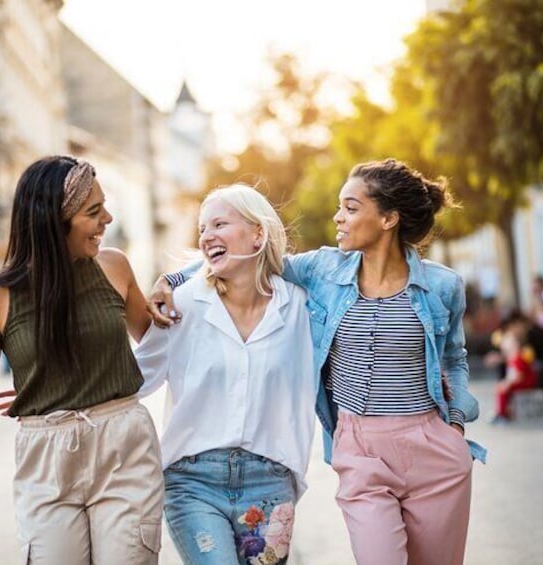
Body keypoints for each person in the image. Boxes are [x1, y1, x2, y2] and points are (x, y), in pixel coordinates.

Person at [153, 159, 485, 564]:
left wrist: (455, 423)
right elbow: (250, 256)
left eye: (350, 207)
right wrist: (171, 280)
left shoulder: (442, 285)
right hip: (360, 450)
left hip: (432, 448)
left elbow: (454, 358)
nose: (337, 217)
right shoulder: (324, 271)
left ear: (388, 219)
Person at [0, 156, 163, 564]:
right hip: (45, 462)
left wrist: (171, 284)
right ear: (53, 220)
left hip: (124, 450)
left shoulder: (114, 267)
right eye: (93, 211)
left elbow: (162, 344)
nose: (108, 218)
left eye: (104, 206)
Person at [134, 185, 317, 564]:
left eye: (220, 223)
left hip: (270, 482)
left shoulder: (299, 307)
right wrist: (55, 392)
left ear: (258, 233)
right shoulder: (182, 305)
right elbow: (132, 378)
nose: (206, 236)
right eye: (202, 229)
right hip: (193, 480)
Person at [492, 326, 538, 424]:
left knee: (502, 390)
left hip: (525, 383)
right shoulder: (512, 358)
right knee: (502, 387)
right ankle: (502, 412)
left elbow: (518, 376)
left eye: (508, 340)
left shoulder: (518, 358)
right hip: (520, 382)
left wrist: (507, 383)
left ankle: (502, 414)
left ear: (516, 344)